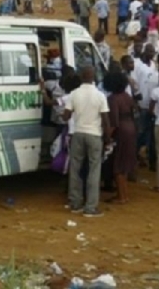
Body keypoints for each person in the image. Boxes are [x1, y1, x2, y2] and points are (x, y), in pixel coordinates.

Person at [63, 66, 110, 217]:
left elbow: (66, 116)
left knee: (75, 168)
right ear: (93, 77)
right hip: (94, 134)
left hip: (78, 133)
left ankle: (75, 203)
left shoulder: (74, 94)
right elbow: (105, 120)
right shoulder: (100, 95)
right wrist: (107, 139)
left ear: (81, 77)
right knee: (94, 170)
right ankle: (91, 207)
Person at [106, 72, 137, 203]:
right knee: (125, 162)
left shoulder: (113, 99)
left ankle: (121, 196)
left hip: (121, 131)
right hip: (131, 128)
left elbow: (114, 121)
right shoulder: (127, 96)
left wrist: (107, 137)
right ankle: (124, 194)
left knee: (118, 164)